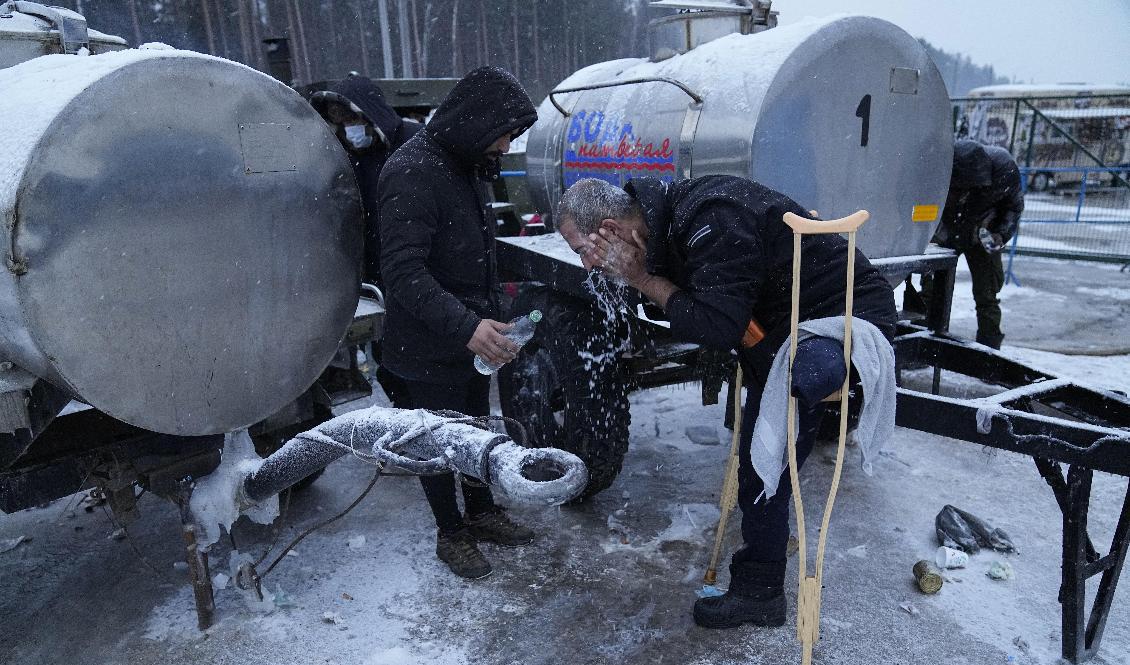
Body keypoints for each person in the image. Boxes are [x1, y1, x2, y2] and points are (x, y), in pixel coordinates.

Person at [556, 176, 897, 629]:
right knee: (761, 459)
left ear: (612, 230)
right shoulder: (671, 224)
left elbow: (714, 327)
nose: (589, 264)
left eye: (585, 249)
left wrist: (639, 277)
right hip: (781, 325)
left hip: (843, 320)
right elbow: (685, 307)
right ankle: (761, 587)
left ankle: (759, 593)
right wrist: (648, 280)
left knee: (777, 433)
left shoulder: (710, 219)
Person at [376, 66, 538, 579]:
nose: (507, 145)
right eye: (505, 132)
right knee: (438, 443)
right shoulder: (413, 170)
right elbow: (402, 271)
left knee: (476, 432)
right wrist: (467, 326)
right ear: (476, 121)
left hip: (470, 334)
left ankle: (483, 513)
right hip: (428, 343)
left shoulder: (464, 163)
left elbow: (472, 252)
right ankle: (451, 533)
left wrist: (490, 315)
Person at [311, 74, 422, 286]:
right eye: (340, 122)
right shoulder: (346, 156)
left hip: (416, 268)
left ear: (371, 115)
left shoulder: (413, 142)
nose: (348, 129)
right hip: (373, 269)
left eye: (352, 119)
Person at [922, 139, 1024, 349]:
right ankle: (923, 338)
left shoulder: (1003, 169)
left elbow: (1013, 207)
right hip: (947, 231)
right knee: (930, 289)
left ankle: (989, 349)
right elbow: (923, 204)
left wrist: (1001, 234)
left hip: (983, 233)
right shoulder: (939, 166)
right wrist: (933, 233)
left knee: (987, 293)